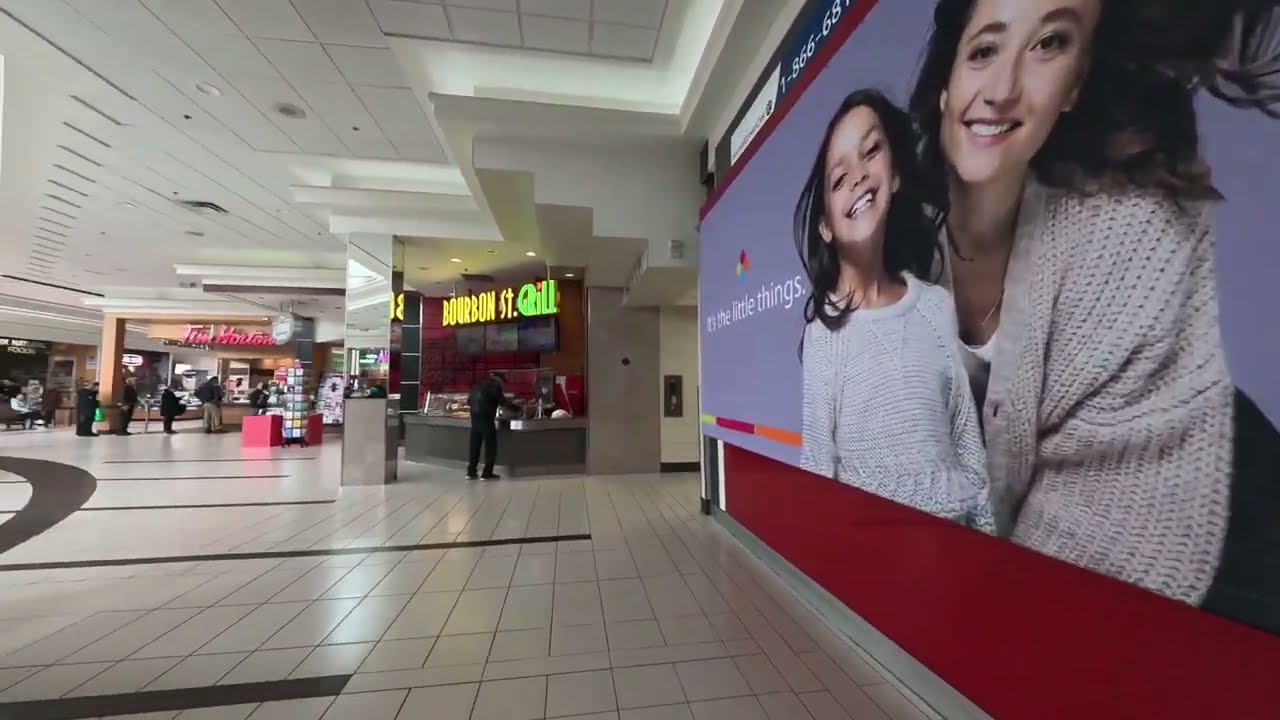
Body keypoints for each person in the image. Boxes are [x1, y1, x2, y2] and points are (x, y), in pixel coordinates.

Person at [905, 0, 1280, 604]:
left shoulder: (1123, 234)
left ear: (1074, 86)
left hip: (1216, 539)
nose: (1001, 90)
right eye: (983, 51)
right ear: (947, 83)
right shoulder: (909, 240)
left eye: (1048, 44)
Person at [795, 89, 993, 532]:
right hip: (876, 563)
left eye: (871, 151)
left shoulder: (937, 307)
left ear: (896, 175)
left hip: (958, 551)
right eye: (839, 178)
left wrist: (990, 547)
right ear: (826, 225)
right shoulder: (826, 333)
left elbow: (967, 443)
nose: (860, 176)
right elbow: (817, 470)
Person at [466, 371, 519, 480]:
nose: (503, 385)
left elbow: (469, 401)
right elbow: (503, 402)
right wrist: (517, 409)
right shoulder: (495, 386)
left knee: (474, 446)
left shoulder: (478, 385)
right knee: (490, 446)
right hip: (486, 418)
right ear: (499, 380)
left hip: (475, 418)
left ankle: (471, 472)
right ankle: (487, 473)